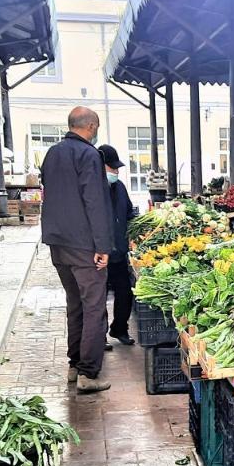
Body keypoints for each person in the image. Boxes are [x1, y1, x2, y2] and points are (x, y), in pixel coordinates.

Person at [40, 107, 116, 393]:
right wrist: (102, 245)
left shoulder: (52, 153)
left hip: (58, 242)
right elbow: (94, 201)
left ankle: (74, 365)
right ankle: (88, 373)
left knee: (75, 304)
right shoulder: (89, 155)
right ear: (92, 126)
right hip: (85, 244)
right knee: (94, 307)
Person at [98, 144, 136, 346]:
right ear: (101, 166)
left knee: (125, 292)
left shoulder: (119, 187)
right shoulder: (93, 189)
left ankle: (119, 329)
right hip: (99, 253)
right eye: (112, 168)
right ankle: (99, 335)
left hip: (119, 252)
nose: (116, 171)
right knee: (99, 297)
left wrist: (132, 233)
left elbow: (129, 213)